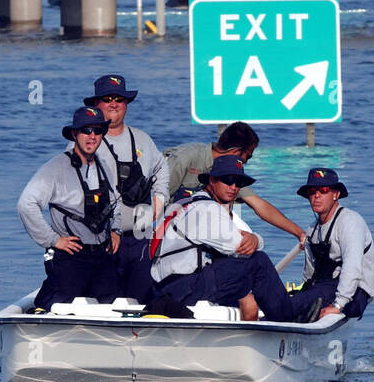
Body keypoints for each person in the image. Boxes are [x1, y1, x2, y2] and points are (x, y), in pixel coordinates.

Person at [148, 155, 321, 322]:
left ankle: (264, 315)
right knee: (258, 261)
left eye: (239, 183)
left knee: (242, 276)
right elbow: (240, 248)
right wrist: (256, 239)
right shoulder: (209, 210)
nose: (234, 187)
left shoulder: (183, 204)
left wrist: (251, 240)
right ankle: (286, 318)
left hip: (165, 287)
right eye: (227, 180)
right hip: (187, 287)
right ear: (211, 181)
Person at [17, 106, 122, 313]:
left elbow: (115, 202)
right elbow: (26, 204)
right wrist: (54, 240)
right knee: (55, 306)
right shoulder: (54, 168)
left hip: (102, 256)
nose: (92, 137)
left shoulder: (104, 166)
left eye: (97, 131)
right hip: (71, 256)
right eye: (86, 131)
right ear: (75, 134)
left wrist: (116, 230)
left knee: (113, 307)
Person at [84, 73, 169, 303]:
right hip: (100, 241)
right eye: (107, 98)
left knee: (141, 301)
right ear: (95, 104)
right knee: (104, 302)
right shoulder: (84, 140)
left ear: (127, 104)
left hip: (141, 238)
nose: (114, 103)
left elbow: (162, 167)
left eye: (119, 99)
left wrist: (159, 201)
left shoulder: (142, 139)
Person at [165, 122, 307, 249]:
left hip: (205, 225)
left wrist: (298, 232)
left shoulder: (232, 177)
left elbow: (260, 206)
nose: (246, 163)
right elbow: (155, 199)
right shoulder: (185, 158)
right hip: (171, 228)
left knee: (248, 244)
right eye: (248, 157)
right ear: (235, 152)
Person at [286, 168, 374, 322]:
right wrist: (302, 295)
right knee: (282, 300)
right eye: (312, 191)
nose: (317, 196)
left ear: (336, 194)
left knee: (288, 307)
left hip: (354, 294)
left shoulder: (350, 222)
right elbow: (309, 274)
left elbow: (353, 268)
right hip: (323, 288)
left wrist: (338, 305)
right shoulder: (311, 230)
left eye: (324, 190)